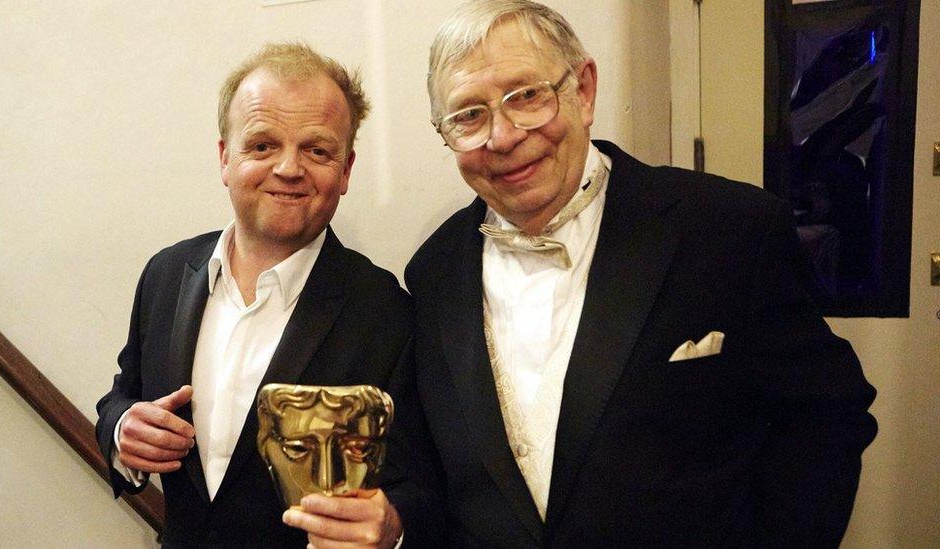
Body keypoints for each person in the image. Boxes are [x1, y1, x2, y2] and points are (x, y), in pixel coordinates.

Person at [399, 1, 879, 546]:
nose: (503, 136)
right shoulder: (433, 273)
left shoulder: (727, 230)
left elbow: (826, 415)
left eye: (526, 96)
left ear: (582, 91)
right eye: (469, 115)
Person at [96, 43, 414, 547]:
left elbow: (420, 486)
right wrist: (121, 431)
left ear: (346, 170)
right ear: (226, 157)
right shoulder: (165, 275)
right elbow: (123, 395)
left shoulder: (387, 311)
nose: (289, 169)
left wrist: (393, 532)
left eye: (317, 150)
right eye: (263, 145)